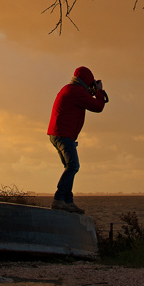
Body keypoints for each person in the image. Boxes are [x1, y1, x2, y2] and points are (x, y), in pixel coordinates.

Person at [46, 65, 108, 213]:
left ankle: (68, 202)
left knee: (69, 167)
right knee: (73, 166)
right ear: (86, 81)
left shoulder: (69, 89)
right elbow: (98, 107)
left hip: (58, 134)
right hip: (64, 135)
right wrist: (99, 92)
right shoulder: (76, 92)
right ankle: (59, 199)